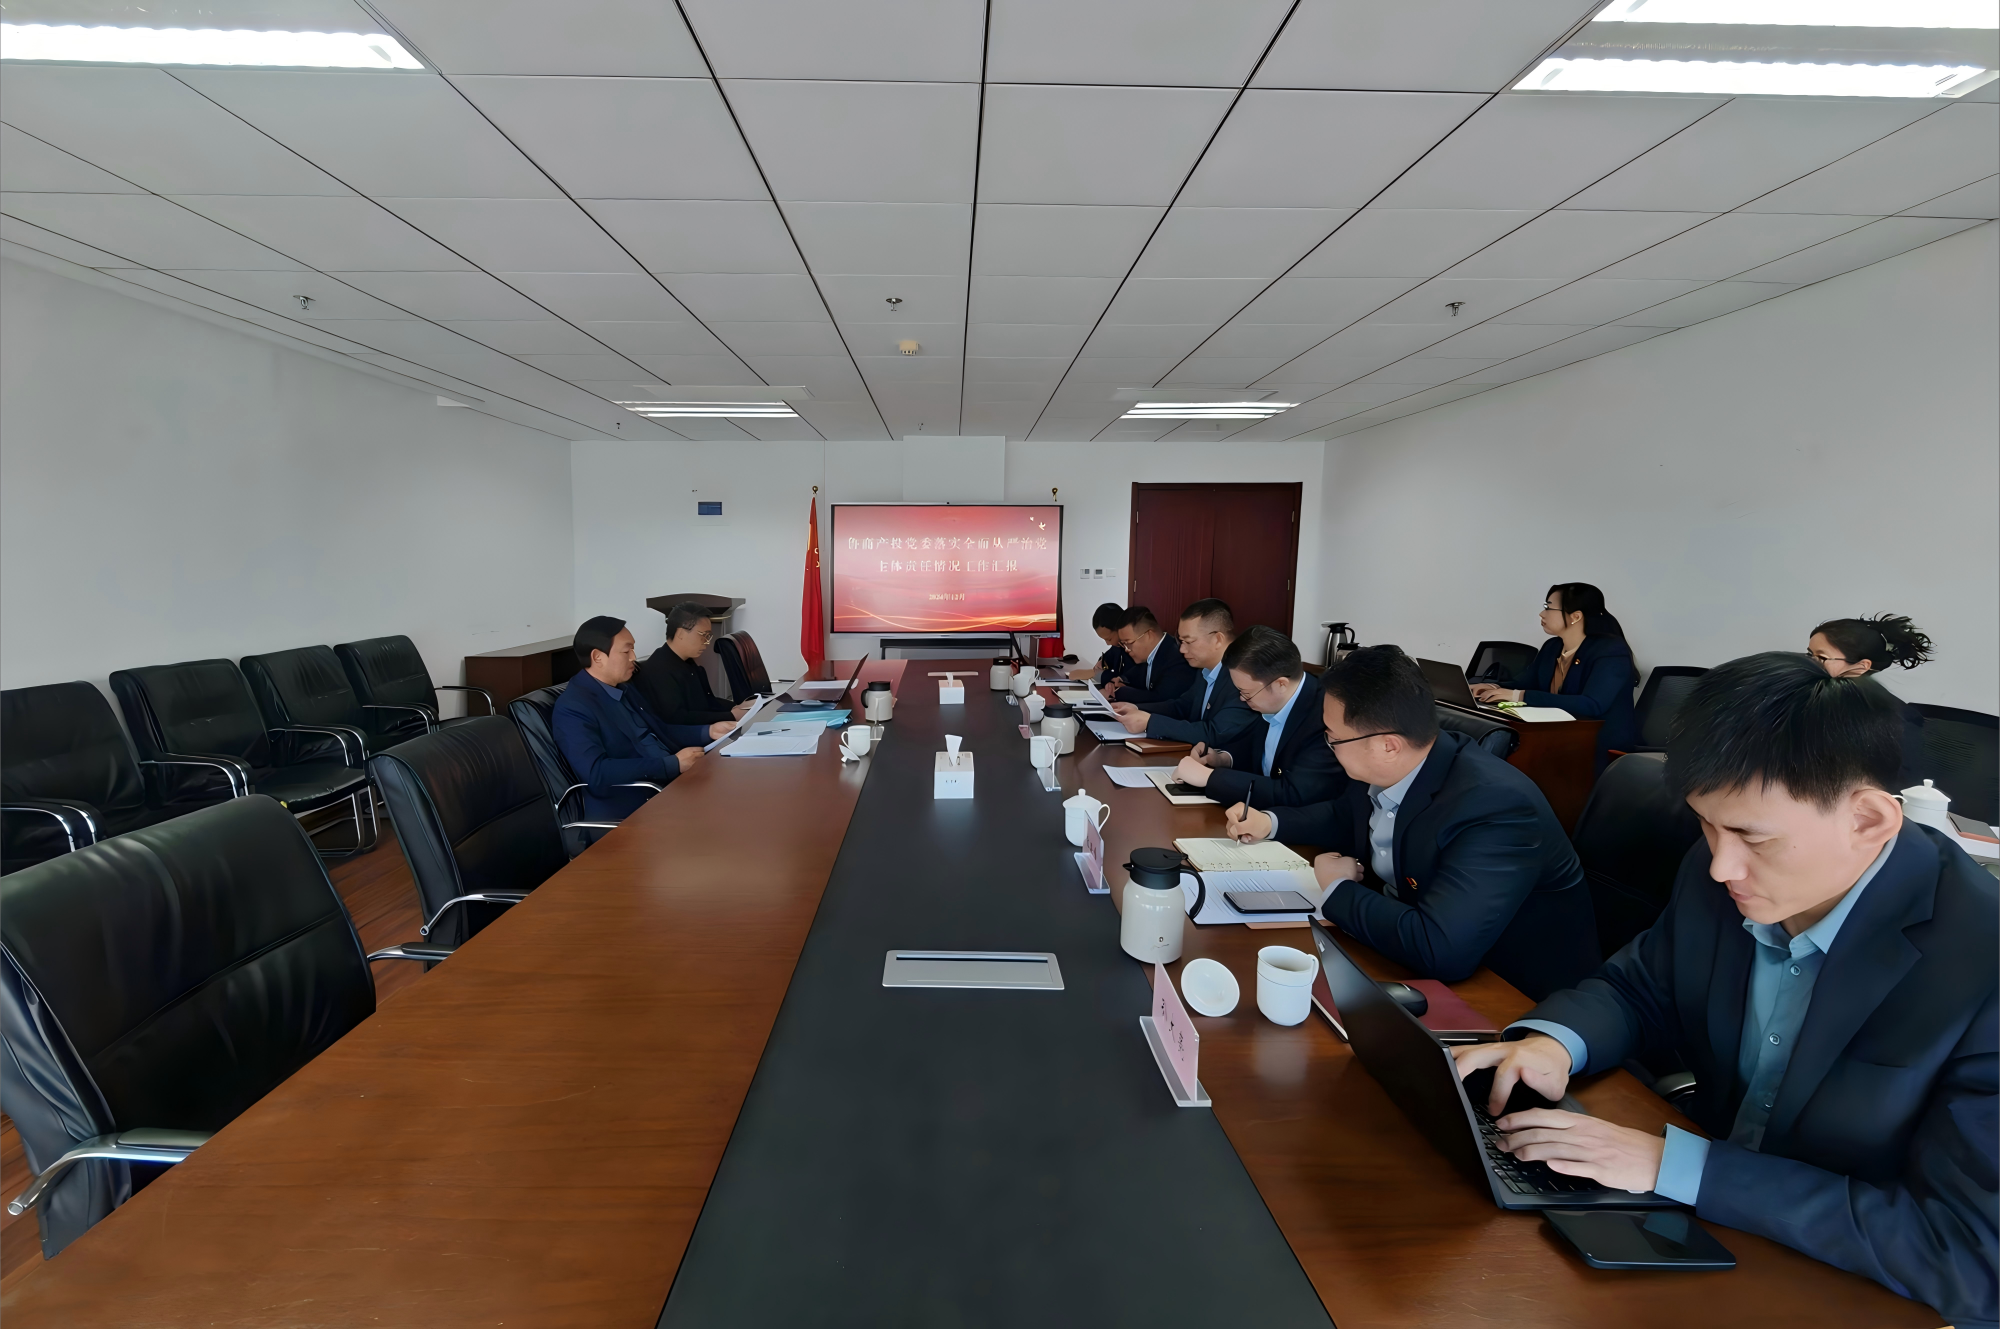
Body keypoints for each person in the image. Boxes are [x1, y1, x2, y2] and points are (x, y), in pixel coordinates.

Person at [1452, 653, 1996, 1327]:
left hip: (1854, 1284)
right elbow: (1642, 985)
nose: (1719, 865)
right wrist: (1555, 1043)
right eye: (1706, 824)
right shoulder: (1723, 871)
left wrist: (1678, 1165)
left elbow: (1970, 1254)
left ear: (1868, 820)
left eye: (1751, 837)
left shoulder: (1982, 966)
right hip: (1704, 1237)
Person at [1224, 646, 1599, 1000]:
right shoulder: (1397, 763)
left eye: (1333, 739)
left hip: (1511, 993)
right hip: (1402, 950)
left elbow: (1441, 949)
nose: (1329, 746)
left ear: (1388, 745)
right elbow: (1344, 815)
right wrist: (1270, 822)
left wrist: (1337, 889)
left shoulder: (1497, 807)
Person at [552, 616, 732, 821]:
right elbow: (596, 772)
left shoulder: (624, 687)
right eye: (626, 651)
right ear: (598, 657)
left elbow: (660, 730)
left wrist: (708, 731)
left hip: (671, 786)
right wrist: (670, 765)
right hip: (635, 807)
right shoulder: (573, 707)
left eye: (633, 649)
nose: (633, 657)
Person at [1169, 626, 1344, 810]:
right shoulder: (1272, 699)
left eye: (1246, 693)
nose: (1242, 699)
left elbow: (1293, 793)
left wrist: (1210, 778)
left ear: (1280, 684)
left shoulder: (1326, 717)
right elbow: (1258, 748)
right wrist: (1223, 759)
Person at [1470, 582, 1638, 769]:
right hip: (1554, 734)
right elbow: (1525, 683)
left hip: (1596, 745)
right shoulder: (1552, 647)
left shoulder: (1611, 651)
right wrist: (1492, 687)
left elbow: (1592, 705)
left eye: (1548, 607)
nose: (1542, 614)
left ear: (1575, 616)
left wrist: (1519, 696)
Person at [1808, 613, 1934, 789]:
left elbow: (1902, 785)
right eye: (1809, 654)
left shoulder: (1897, 717)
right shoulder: (1809, 697)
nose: (1809, 663)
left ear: (1861, 666)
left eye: (1821, 658)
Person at [1109, 599, 1256, 749]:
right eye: (1181, 642)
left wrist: (1150, 722)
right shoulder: (1204, 670)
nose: (1182, 650)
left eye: (1188, 642)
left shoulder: (1243, 678)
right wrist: (1136, 708)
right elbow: (1182, 706)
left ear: (1217, 639)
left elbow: (1214, 733)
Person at [632, 601, 757, 727]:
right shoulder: (658, 669)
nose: (707, 642)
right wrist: (730, 715)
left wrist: (737, 707)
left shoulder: (687, 661)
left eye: (709, 636)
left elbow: (707, 702)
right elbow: (677, 717)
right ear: (680, 633)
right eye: (704, 635)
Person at [1102, 605, 1197, 704]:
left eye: (1128, 643)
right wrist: (1119, 680)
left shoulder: (1176, 659)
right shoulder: (1148, 656)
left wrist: (1120, 693)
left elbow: (1162, 700)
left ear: (1149, 635)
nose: (1126, 649)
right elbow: (1136, 673)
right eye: (1123, 644)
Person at [1072, 602, 1131, 683]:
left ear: (1120, 629)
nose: (1107, 643)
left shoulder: (1132, 650)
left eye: (1109, 639)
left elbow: (1126, 678)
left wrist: (1100, 675)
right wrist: (1102, 662)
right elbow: (1108, 657)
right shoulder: (1117, 647)